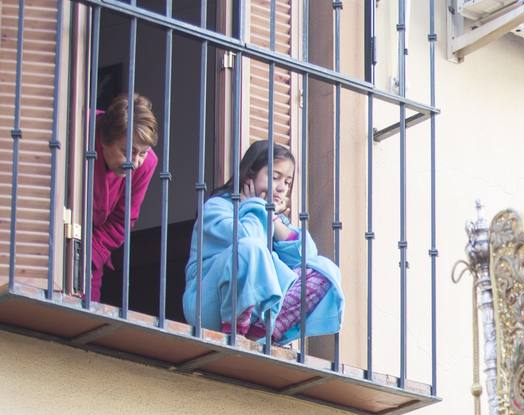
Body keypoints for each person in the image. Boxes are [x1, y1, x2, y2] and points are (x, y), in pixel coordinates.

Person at [182, 141, 343, 343]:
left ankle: (264, 329)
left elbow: (308, 255)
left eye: (287, 182)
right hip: (208, 302)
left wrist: (273, 219)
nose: (282, 188)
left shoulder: (273, 220)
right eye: (275, 177)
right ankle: (235, 328)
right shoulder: (217, 207)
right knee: (251, 248)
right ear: (250, 175)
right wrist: (256, 207)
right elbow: (249, 240)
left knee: (326, 270)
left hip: (257, 310)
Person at [91, 93, 159, 302]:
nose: (135, 162)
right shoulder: (81, 129)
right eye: (127, 151)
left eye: (143, 152)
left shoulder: (146, 164)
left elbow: (122, 221)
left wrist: (88, 256)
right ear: (104, 139)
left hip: (92, 252)